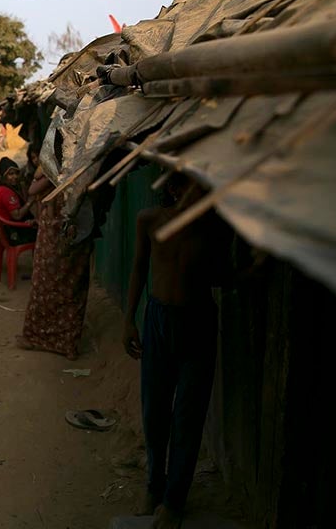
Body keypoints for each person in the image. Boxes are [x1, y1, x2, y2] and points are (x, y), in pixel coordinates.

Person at [123, 173, 229, 529]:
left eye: (201, 185)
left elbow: (218, 275)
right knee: (155, 411)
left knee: (188, 414)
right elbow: (139, 266)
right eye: (189, 185)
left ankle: (174, 500)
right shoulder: (149, 221)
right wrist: (129, 320)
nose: (197, 191)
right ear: (172, 188)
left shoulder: (213, 226)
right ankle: (154, 485)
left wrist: (250, 271)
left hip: (197, 322)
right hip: (158, 319)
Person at [15, 169, 92, 360]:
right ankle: (68, 344)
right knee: (72, 288)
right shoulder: (82, 172)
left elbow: (33, 189)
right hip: (77, 234)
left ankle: (37, 338)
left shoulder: (58, 173)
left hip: (57, 237)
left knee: (45, 286)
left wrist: (42, 172)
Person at [0, 157, 37, 245]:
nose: (15, 177)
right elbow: (17, 216)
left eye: (16, 173)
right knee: (42, 232)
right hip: (13, 233)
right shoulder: (6, 193)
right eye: (10, 174)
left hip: (9, 229)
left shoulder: (5, 188)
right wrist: (30, 202)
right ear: (4, 176)